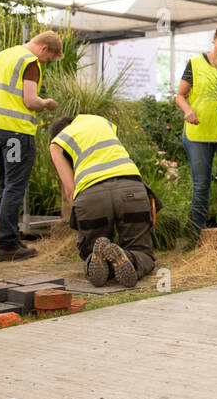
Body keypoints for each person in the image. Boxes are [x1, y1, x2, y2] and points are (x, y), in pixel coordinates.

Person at [0, 31, 62, 262]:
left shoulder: (3, 55)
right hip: (14, 132)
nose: (47, 63)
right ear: (44, 49)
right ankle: (6, 243)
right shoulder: (30, 62)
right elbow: (30, 100)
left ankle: (9, 236)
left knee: (4, 184)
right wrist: (47, 103)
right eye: (50, 58)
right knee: (14, 186)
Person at [50, 114, 155, 288]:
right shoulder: (100, 121)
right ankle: (128, 257)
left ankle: (97, 260)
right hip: (131, 188)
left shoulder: (57, 143)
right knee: (141, 250)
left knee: (92, 249)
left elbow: (70, 191)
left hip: (91, 196)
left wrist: (80, 216)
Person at [174, 23, 217, 240]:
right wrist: (188, 110)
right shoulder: (195, 64)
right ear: (214, 38)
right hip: (198, 134)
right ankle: (197, 237)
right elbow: (180, 96)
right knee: (201, 185)